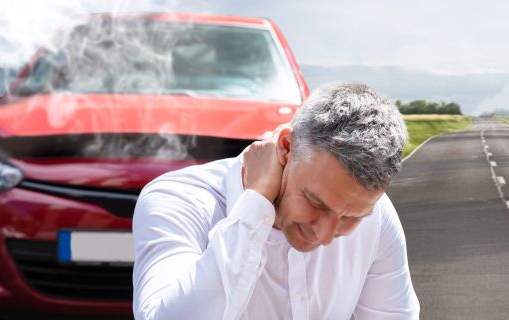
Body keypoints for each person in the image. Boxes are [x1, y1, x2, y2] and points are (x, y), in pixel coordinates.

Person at [132, 83, 420, 319]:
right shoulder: (178, 200)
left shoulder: (377, 215)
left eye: (350, 218)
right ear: (285, 148)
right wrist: (254, 205)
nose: (325, 235)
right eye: (316, 203)